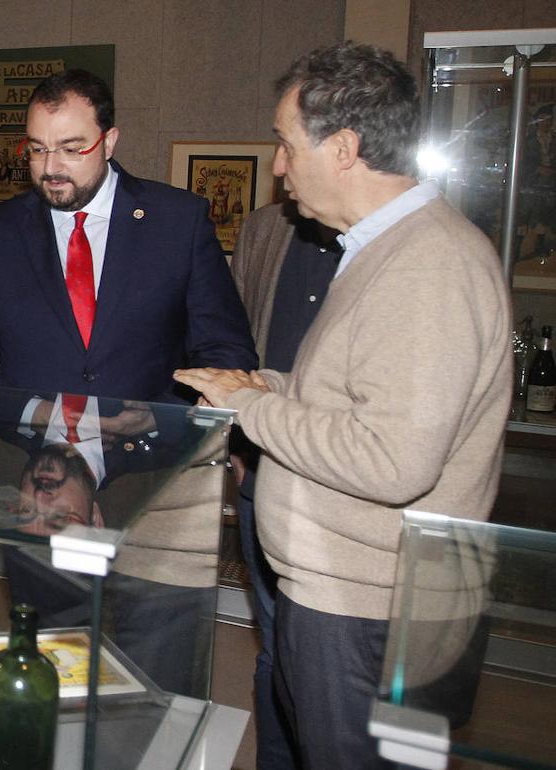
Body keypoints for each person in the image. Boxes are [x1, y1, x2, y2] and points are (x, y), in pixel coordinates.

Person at [175, 42, 512, 769]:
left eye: (288, 144)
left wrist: (252, 410)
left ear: (347, 147)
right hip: (351, 596)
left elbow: (393, 460)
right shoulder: (389, 248)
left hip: (370, 611)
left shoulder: (426, 265)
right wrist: (272, 388)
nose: (278, 165)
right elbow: (361, 400)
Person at [0, 68, 256, 470]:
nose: (51, 168)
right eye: (37, 149)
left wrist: (161, 415)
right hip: (30, 471)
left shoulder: (178, 222)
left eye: (71, 148)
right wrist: (38, 413)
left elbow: (226, 349)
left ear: (109, 143)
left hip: (155, 468)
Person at [229, 200, 341, 769]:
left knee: (332, 677)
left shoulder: (397, 248)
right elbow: (236, 335)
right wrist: (240, 446)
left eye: (290, 142)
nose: (279, 162)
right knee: (275, 649)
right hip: (265, 474)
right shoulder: (266, 229)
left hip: (346, 503)